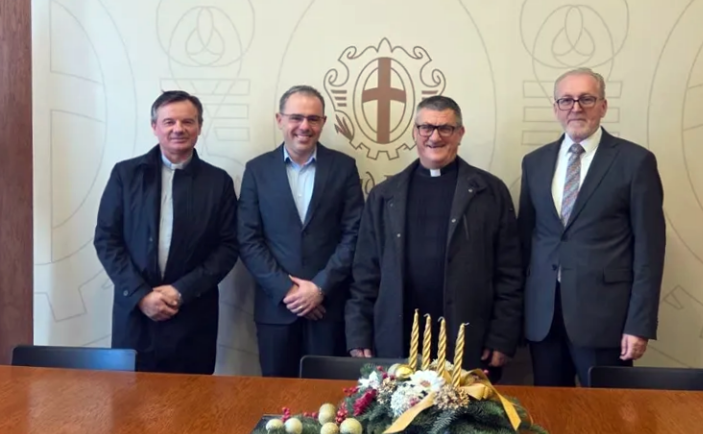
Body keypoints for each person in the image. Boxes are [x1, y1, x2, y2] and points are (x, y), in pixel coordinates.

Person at [345, 95, 524, 380]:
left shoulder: (490, 192)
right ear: (415, 132)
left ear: (460, 133)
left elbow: (510, 272)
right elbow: (365, 272)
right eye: (426, 127)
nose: (435, 137)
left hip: (468, 337)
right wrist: (358, 333)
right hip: (397, 336)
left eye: (445, 128)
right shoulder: (384, 195)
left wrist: (502, 336)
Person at [517, 67, 666, 387]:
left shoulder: (635, 161)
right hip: (544, 319)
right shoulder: (534, 162)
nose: (576, 108)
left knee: (609, 413)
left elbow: (650, 251)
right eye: (566, 100)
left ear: (603, 106)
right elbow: (525, 242)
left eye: (586, 99)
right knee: (548, 413)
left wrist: (639, 324)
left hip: (606, 322)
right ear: (556, 108)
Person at [94, 90, 239, 375]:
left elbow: (228, 246)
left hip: (193, 315)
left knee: (192, 400)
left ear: (199, 127)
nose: (178, 129)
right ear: (154, 127)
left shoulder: (218, 182)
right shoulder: (126, 175)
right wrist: (141, 295)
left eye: (188, 121)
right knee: (129, 398)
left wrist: (180, 291)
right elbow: (106, 239)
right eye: (169, 122)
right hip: (136, 314)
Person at [238, 85, 364, 377]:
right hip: (276, 310)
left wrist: (319, 288)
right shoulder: (257, 170)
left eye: (313, 119)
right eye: (296, 117)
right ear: (280, 120)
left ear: (323, 122)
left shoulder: (344, 167)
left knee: (329, 399)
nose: (304, 126)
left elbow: (354, 235)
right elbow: (248, 239)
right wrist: (289, 291)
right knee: (275, 397)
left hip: (327, 309)